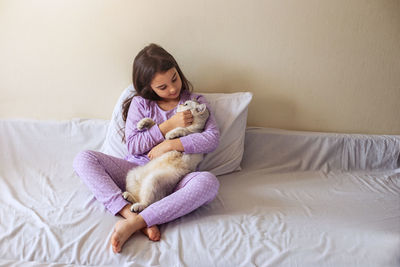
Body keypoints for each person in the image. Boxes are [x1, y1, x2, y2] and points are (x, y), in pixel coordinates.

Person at [73, 43, 220, 253]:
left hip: (176, 175)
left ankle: (138, 222)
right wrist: (169, 125)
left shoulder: (195, 103)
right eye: (162, 87)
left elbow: (212, 139)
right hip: (138, 171)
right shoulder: (141, 104)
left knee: (208, 183)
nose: (172, 88)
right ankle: (130, 215)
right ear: (148, 87)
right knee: (83, 158)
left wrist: (171, 144)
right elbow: (133, 145)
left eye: (174, 78)